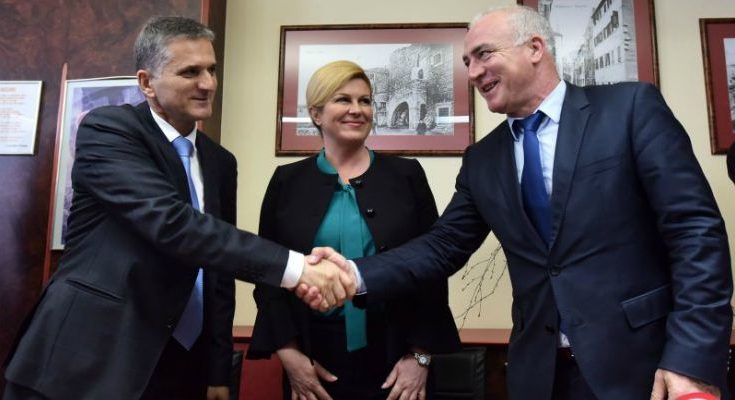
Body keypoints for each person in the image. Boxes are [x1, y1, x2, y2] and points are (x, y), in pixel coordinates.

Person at [308, 6, 733, 400]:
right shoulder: (483, 159)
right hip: (539, 376)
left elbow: (695, 232)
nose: (473, 72)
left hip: (648, 369)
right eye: (467, 63)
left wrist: (691, 359)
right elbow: (442, 246)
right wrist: (354, 273)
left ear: (534, 48)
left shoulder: (630, 109)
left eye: (483, 54)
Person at [3, 17, 353, 400]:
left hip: (182, 365)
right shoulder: (109, 130)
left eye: (211, 70)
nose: (208, 83)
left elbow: (217, 272)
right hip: (90, 359)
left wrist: (217, 371)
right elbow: (173, 224)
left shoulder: (220, 162)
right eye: (190, 72)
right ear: (146, 82)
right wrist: (298, 269)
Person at [247, 60, 461, 400]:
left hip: (397, 358)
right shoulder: (286, 182)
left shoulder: (407, 176)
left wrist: (420, 356)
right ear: (316, 114)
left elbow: (432, 271)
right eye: (343, 100)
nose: (357, 109)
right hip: (313, 359)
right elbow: (269, 276)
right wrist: (289, 355)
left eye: (365, 101)